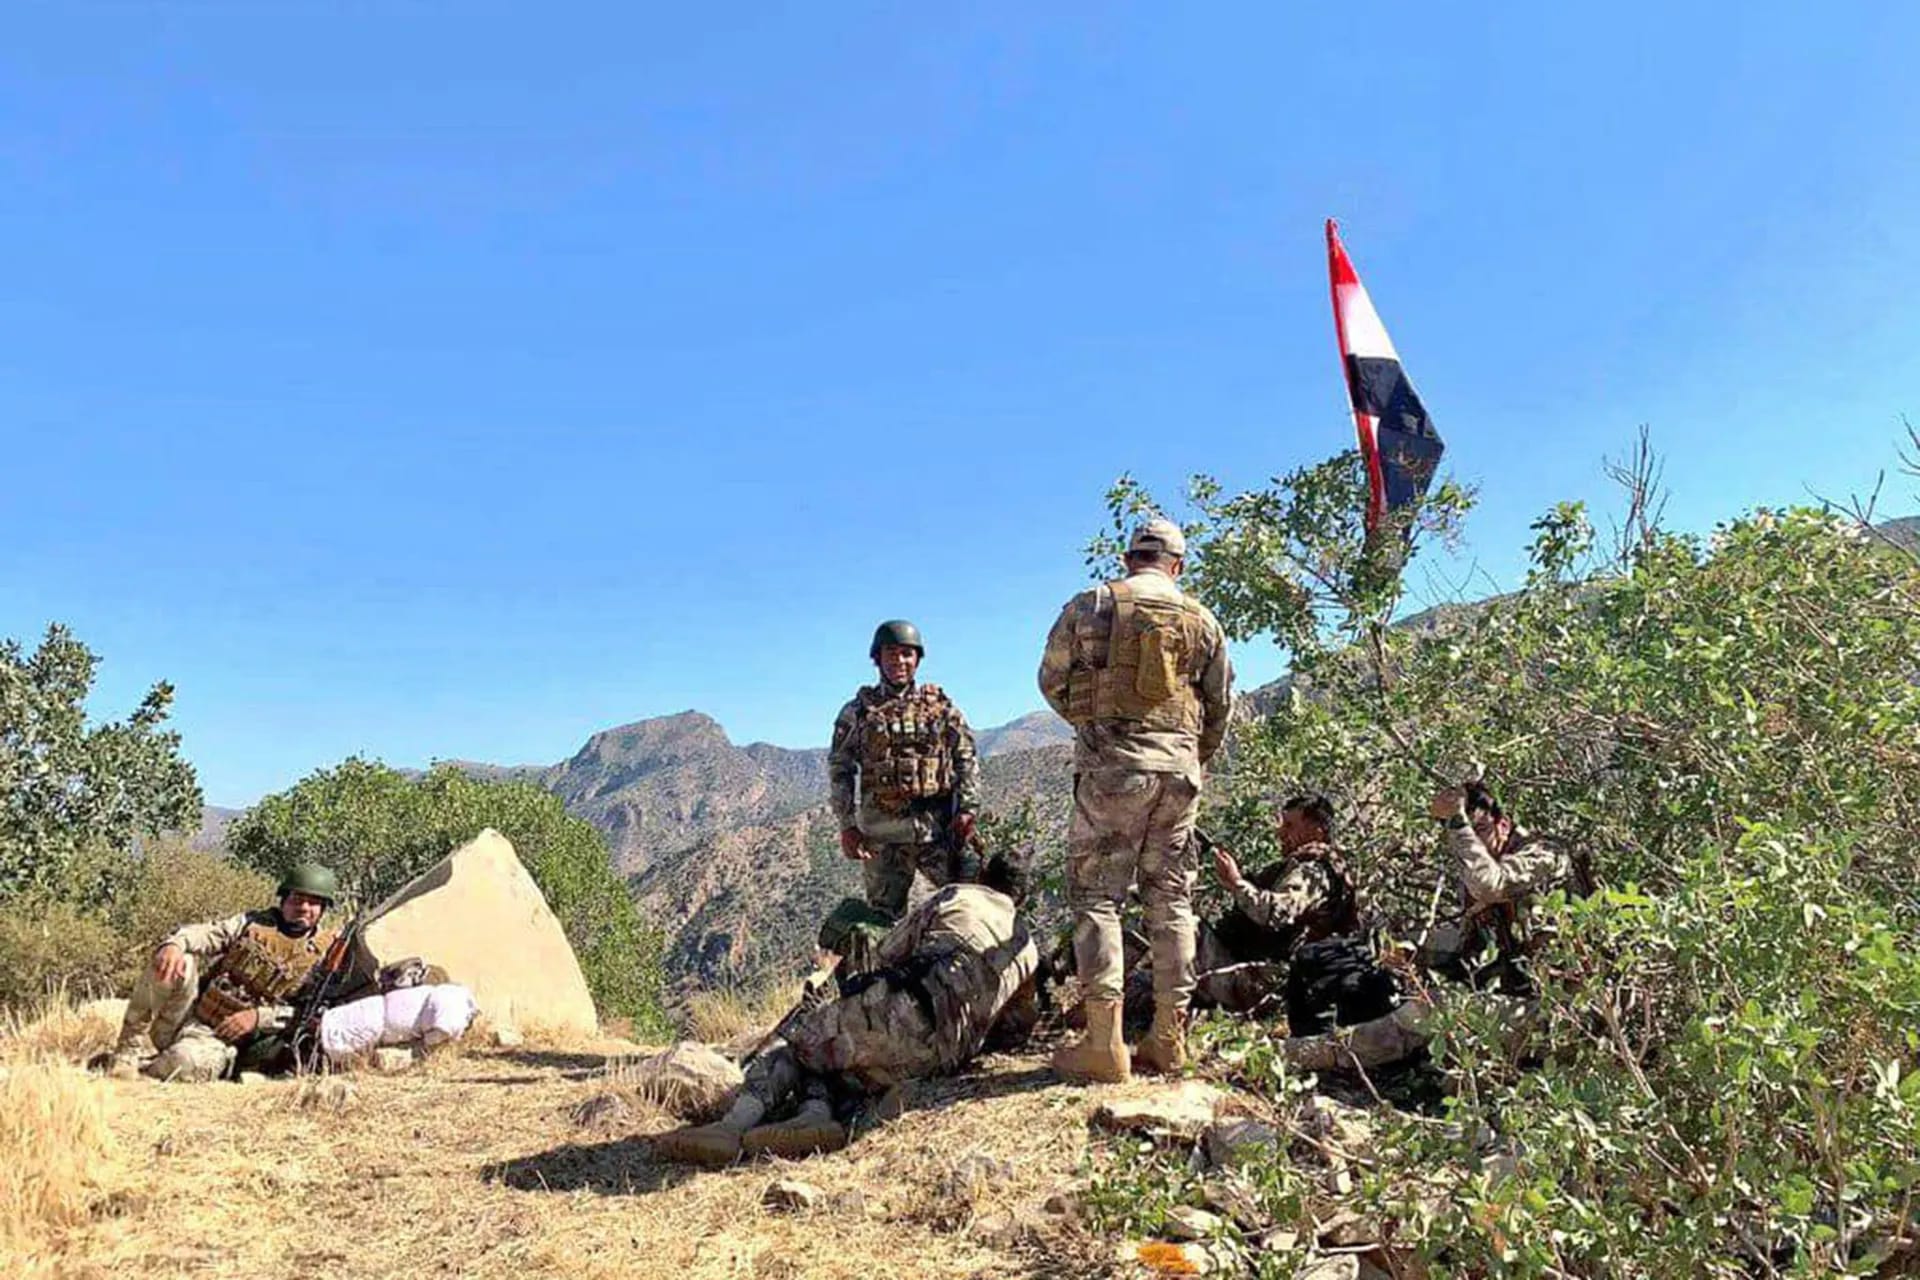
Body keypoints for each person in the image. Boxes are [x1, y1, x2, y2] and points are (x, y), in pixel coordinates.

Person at [654, 854, 1040, 1166]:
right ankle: (815, 1116)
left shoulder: (958, 896)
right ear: (1019, 898)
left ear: (985, 874)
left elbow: (889, 952)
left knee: (798, 1045)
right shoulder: (1027, 947)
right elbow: (1017, 1027)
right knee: (842, 1063)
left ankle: (730, 1127)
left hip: (905, 1013)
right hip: (945, 1057)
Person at [1037, 516, 1233, 1081]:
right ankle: (1169, 1040)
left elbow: (1051, 681)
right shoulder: (1203, 620)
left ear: (1128, 560)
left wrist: (1100, 728)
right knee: (1171, 899)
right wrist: (1191, 757)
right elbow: (1219, 706)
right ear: (1178, 565)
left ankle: (1105, 1046)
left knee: (1099, 898)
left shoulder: (1090, 605)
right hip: (1179, 774)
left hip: (1113, 771)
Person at [1279, 781, 1578, 1072]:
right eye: (1467, 834)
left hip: (1566, 1022)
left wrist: (1458, 821)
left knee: (1437, 1010)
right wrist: (1414, 960)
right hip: (1521, 1008)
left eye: (1481, 831)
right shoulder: (1481, 870)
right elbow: (1474, 955)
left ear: (1504, 825)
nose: (1475, 843)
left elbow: (1489, 884)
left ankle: (1312, 1055)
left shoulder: (1546, 854)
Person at [106, 863, 344, 1082]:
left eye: (313, 902)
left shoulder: (326, 955)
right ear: (283, 900)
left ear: (323, 909)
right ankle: (126, 1053)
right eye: (296, 899)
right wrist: (175, 944)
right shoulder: (251, 923)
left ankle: (150, 1069)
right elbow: (209, 934)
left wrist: (259, 1017)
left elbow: (310, 1014)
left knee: (184, 1062)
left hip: (220, 1041)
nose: (303, 907)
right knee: (177, 959)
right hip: (188, 1017)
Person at [829, 620, 982, 917]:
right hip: (883, 839)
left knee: (972, 906)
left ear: (917, 659)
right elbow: (840, 768)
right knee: (882, 924)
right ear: (877, 659)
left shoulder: (940, 707)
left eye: (906, 654)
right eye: (891, 653)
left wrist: (968, 808)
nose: (899, 661)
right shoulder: (858, 712)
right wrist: (847, 825)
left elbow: (965, 756)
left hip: (937, 831)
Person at [1197, 794, 1364, 1014]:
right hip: (1254, 975)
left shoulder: (1313, 873)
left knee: (1182, 926)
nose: (1280, 832)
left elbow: (1274, 913)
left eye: (1290, 825)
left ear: (1317, 832)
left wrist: (1236, 883)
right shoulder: (1301, 867)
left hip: (1266, 984)